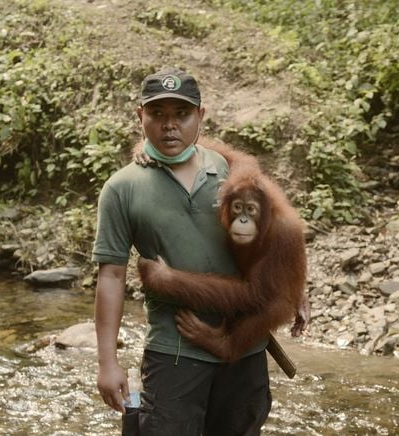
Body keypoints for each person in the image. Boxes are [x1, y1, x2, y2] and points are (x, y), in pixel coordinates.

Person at [92, 67, 308, 435]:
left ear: (200, 117)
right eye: (157, 115)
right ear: (140, 116)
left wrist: (296, 288)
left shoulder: (230, 174)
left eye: (181, 114)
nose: (169, 126)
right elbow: (111, 276)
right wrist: (107, 362)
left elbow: (279, 239)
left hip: (244, 350)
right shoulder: (122, 187)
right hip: (174, 351)